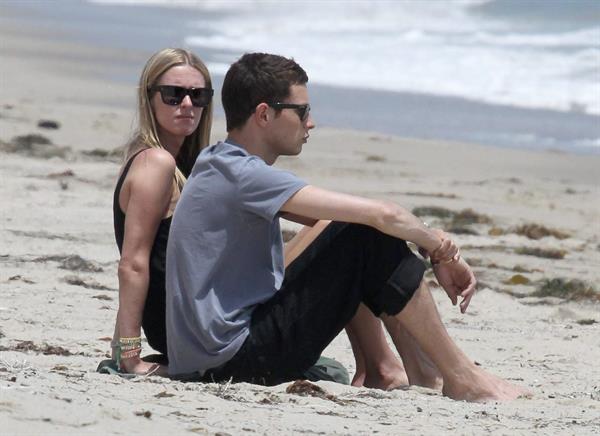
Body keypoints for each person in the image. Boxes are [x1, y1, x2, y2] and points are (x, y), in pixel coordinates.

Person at [166, 52, 528, 401]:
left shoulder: (218, 161)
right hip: (234, 362)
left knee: (354, 229)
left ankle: (409, 370)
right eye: (302, 111)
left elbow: (335, 223)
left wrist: (428, 238)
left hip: (210, 357)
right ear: (264, 114)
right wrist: (439, 248)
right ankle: (461, 377)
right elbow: (381, 215)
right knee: (364, 232)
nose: (310, 122)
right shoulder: (245, 175)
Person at [111, 48, 213, 375]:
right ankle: (377, 371)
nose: (187, 104)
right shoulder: (157, 163)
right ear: (149, 97)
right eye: (173, 94)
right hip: (184, 329)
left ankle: (375, 369)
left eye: (198, 95)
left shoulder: (186, 164)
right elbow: (133, 262)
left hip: (189, 323)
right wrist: (128, 356)